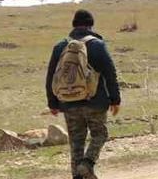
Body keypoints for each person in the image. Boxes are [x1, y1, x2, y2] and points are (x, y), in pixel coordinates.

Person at [46, 9, 121, 179]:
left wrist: (52, 103)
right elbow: (110, 73)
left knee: (76, 143)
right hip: (95, 102)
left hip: (68, 103)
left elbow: (51, 76)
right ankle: (87, 164)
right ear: (90, 25)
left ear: (74, 25)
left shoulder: (60, 47)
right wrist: (115, 99)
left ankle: (78, 175)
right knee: (100, 135)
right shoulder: (97, 45)